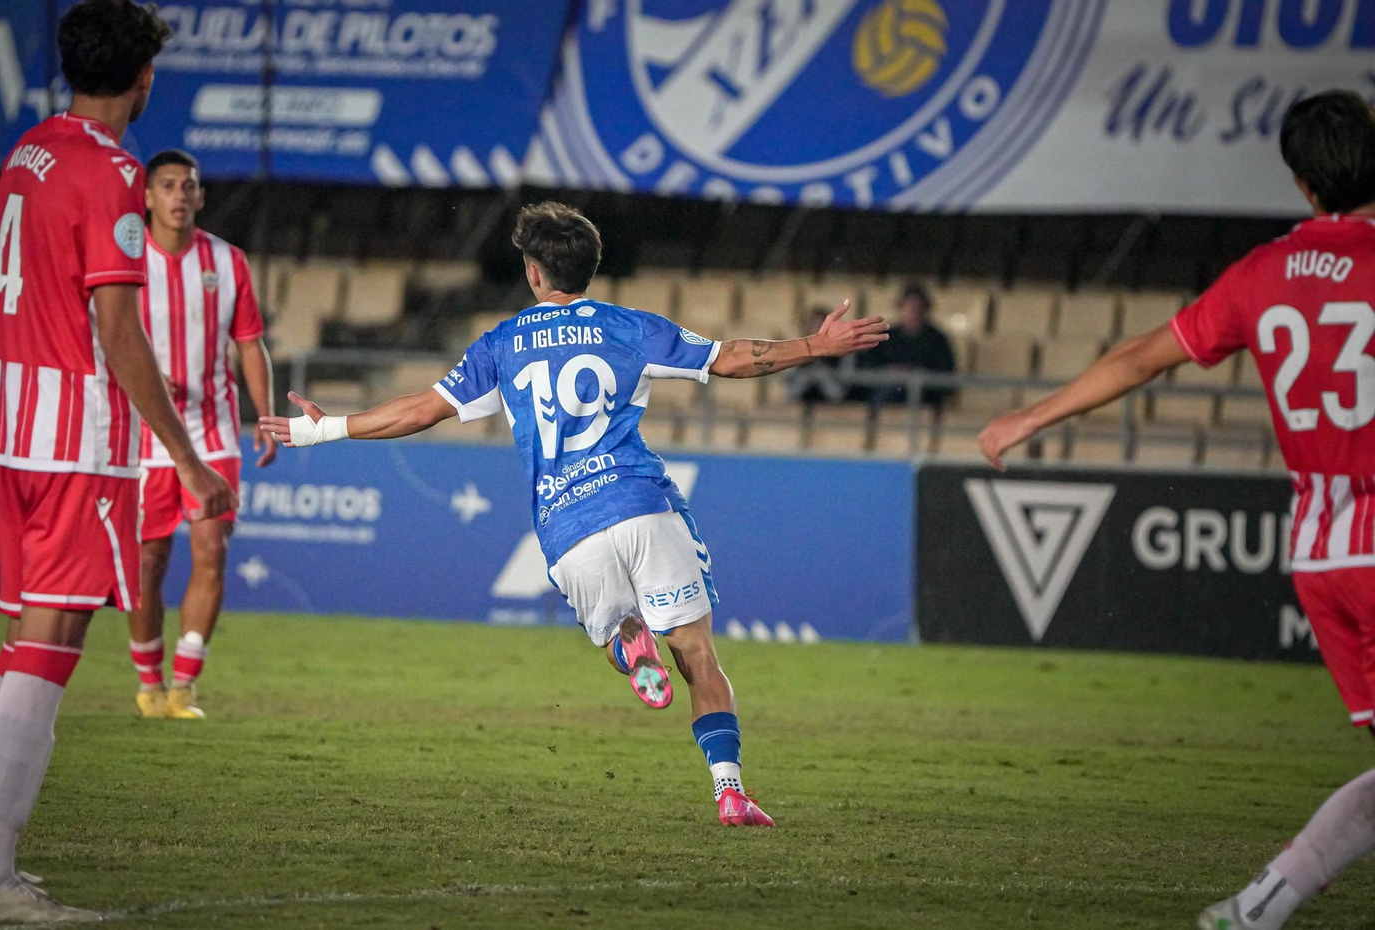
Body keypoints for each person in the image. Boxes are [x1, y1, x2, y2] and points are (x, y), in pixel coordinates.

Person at [260, 202, 888, 827]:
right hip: (641, 503)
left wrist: (327, 429)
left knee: (615, 629)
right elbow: (730, 357)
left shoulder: (501, 345)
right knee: (697, 653)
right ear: (590, 269)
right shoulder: (628, 326)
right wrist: (817, 343)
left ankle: (625, 642)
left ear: (534, 273)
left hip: (567, 526)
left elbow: (419, 410)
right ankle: (729, 792)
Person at [975, 89, 1375, 929]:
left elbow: (1141, 358)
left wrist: (1030, 416)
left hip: (1323, 555)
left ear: (1302, 185)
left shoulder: (1263, 273)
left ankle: (1259, 908)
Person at [0, 2, 236, 922]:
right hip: (78, 442)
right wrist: (186, 457)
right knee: (49, 652)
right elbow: (117, 329)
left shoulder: (29, 152)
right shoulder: (112, 172)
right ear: (143, 79)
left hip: (16, 429)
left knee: (19, 650)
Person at [127, 149, 276, 721]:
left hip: (213, 432)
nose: (179, 195)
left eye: (188, 186)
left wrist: (262, 414)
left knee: (211, 550)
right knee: (149, 562)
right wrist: (139, 376)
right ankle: (148, 683)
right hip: (142, 438)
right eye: (167, 185)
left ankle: (184, 685)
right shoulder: (126, 256)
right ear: (146, 196)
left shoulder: (225, 260)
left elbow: (248, 341)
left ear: (201, 197)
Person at [856, 282, 956, 409]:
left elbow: (945, 373)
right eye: (909, 307)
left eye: (918, 308)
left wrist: (915, 373)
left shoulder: (938, 339)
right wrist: (890, 371)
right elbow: (867, 365)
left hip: (924, 395)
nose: (913, 312)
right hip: (887, 389)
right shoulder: (886, 336)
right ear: (900, 307)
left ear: (925, 309)